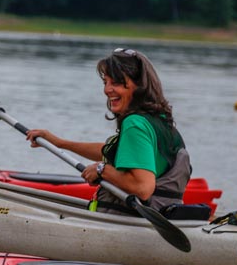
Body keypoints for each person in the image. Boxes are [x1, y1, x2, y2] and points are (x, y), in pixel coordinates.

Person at [25, 48, 191, 216]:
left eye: (116, 82)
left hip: (132, 222)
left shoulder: (135, 124)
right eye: (106, 82)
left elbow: (143, 188)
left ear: (139, 85)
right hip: (163, 214)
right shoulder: (159, 120)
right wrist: (59, 143)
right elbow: (115, 152)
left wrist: (102, 170)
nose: (107, 90)